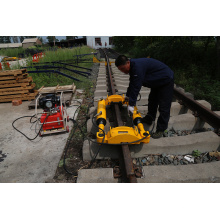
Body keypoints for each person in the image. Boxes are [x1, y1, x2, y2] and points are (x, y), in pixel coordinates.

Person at [115, 55, 174, 139]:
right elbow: (132, 82)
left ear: (128, 62)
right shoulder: (132, 67)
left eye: (123, 68)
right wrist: (128, 96)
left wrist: (131, 104)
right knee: (152, 101)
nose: (123, 71)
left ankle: (161, 129)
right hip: (157, 81)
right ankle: (149, 118)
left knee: (164, 106)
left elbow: (136, 87)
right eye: (120, 70)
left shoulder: (137, 67)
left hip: (165, 80)